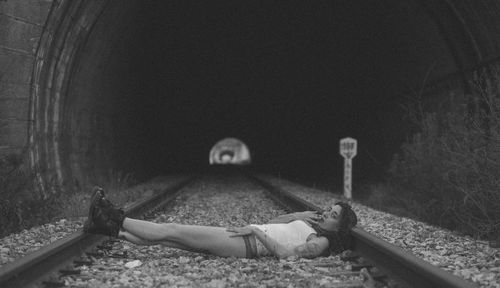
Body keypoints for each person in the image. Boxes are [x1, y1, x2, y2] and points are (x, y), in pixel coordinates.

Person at [83, 186, 358, 259]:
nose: (326, 214)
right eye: (329, 210)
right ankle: (104, 228)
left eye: (334, 216)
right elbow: (275, 223)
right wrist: (297, 217)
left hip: (247, 242)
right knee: (170, 239)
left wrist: (254, 232)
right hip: (247, 238)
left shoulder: (321, 241)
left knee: (174, 230)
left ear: (340, 228)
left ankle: (110, 212)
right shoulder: (312, 227)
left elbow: (287, 255)